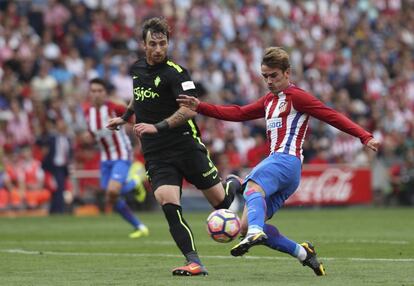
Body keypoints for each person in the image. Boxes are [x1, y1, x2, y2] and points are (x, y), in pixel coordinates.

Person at [177, 46, 381, 276]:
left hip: (286, 160)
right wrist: (200, 106)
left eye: (273, 75)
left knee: (252, 189)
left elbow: (331, 115)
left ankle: (241, 194)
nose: (269, 81)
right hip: (286, 172)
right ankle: (304, 253)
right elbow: (238, 112)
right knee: (244, 227)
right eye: (265, 76)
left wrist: (364, 136)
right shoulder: (268, 101)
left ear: (287, 73)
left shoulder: (298, 97)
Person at [106, 17, 241, 276]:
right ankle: (194, 262)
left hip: (185, 145)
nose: (158, 49)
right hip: (156, 154)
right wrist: (124, 118)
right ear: (143, 45)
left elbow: (190, 110)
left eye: (163, 43)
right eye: (153, 44)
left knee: (221, 205)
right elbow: (139, 96)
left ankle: (232, 186)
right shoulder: (137, 69)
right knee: (168, 204)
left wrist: (157, 126)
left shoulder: (176, 73)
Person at [83, 78, 148, 238]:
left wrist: (140, 141)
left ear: (105, 93)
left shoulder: (115, 108)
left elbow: (136, 121)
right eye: (93, 91)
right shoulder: (87, 113)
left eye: (100, 91)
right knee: (110, 197)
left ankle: (136, 180)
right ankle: (139, 226)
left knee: (113, 190)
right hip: (105, 158)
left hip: (122, 154)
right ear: (89, 93)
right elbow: (93, 135)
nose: (96, 94)